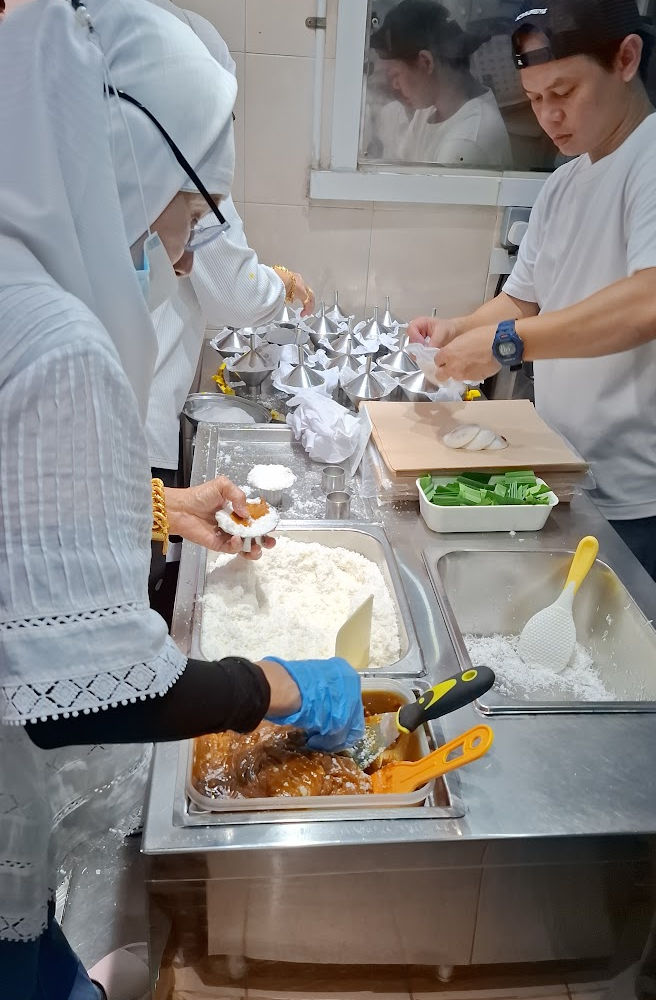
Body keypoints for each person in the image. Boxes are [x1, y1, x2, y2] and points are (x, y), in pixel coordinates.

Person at [0, 3, 363, 999]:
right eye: (192, 193)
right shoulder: (56, 333)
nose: (192, 224)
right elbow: (97, 696)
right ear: (119, 147)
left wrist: (153, 507)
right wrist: (279, 685)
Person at [408, 0, 656, 594]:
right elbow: (525, 300)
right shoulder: (565, 181)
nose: (549, 116)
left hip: (641, 499)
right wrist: (460, 327)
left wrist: (504, 344)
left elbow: (654, 298)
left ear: (626, 58)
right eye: (534, 99)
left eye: (565, 92)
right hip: (564, 472)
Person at [145, 0, 315, 485]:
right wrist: (276, 284)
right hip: (126, 427)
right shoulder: (178, 164)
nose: (183, 262)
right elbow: (236, 294)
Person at [370, 0, 512, 168]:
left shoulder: (465, 145)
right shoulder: (431, 109)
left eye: (395, 76)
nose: (394, 87)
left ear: (426, 62)